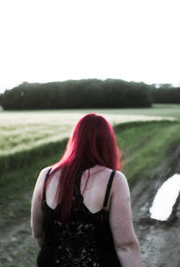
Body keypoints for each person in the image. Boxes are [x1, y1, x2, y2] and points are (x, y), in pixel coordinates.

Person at [31, 113, 142, 267]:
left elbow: (38, 233)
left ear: (75, 140)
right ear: (108, 143)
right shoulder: (114, 180)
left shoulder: (46, 175)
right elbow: (125, 246)